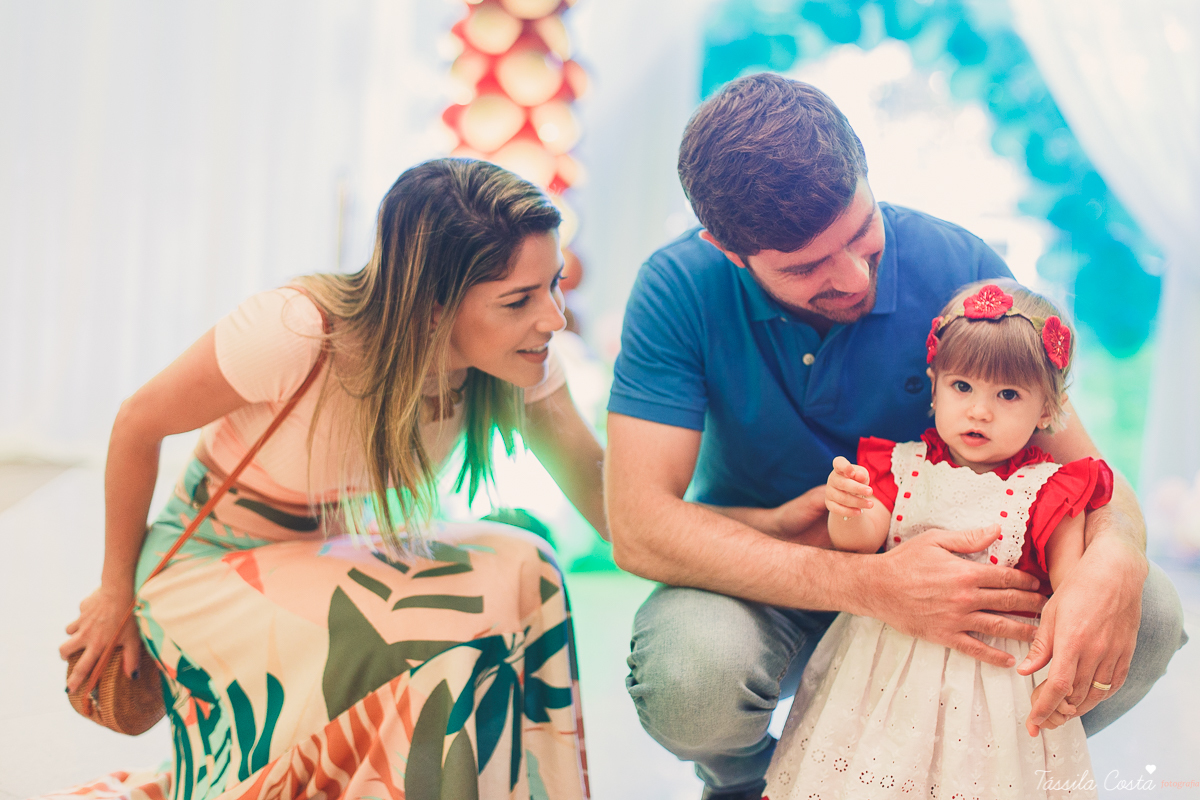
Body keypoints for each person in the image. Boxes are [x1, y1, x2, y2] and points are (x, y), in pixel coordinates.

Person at [604, 73, 1186, 800]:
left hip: (962, 599)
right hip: (767, 579)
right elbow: (639, 527)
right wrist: (873, 584)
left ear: (866, 174)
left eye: (860, 234)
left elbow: (1090, 475)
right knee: (691, 678)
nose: (851, 278)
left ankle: (972, 768)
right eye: (806, 267)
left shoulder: (962, 269)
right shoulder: (677, 288)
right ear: (728, 250)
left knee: (1150, 613)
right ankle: (755, 784)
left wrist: (1120, 555)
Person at [55, 158, 604, 800]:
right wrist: (113, 590)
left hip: (326, 558)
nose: (554, 318)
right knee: (432, 633)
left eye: (554, 286)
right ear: (432, 304)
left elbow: (606, 498)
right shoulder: (296, 331)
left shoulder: (521, 361)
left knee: (527, 563)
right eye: (520, 300)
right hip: (209, 569)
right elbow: (136, 423)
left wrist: (731, 562)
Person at [764, 281, 1105, 800]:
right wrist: (849, 506)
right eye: (962, 387)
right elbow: (859, 543)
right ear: (935, 385)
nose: (979, 411)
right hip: (885, 665)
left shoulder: (1051, 489)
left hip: (992, 682)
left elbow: (1072, 588)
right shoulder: (900, 466)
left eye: (1007, 395)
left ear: (1046, 409)